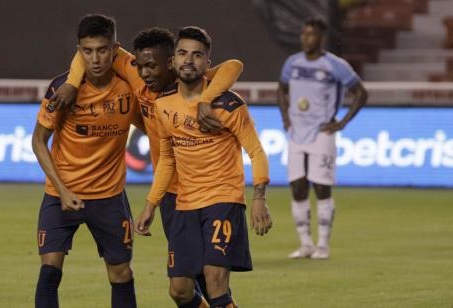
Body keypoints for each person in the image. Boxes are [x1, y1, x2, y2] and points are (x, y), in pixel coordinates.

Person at [52, 27, 244, 303]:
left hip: (208, 191)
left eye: (152, 66)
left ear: (171, 64)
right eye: (142, 67)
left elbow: (234, 66)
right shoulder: (137, 70)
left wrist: (204, 99)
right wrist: (72, 82)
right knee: (182, 289)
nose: (144, 73)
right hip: (171, 196)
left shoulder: (190, 80)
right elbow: (95, 48)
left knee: (210, 278)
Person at [134, 26, 272, 308]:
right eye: (183, 53)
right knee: (180, 290)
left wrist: (259, 198)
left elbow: (256, 151)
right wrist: (151, 204)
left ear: (207, 64)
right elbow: (168, 158)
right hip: (185, 204)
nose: (189, 60)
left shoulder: (229, 104)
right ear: (173, 60)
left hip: (223, 199)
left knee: (215, 281)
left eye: (197, 55)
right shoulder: (163, 104)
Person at [32, 14, 144, 308]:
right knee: (49, 271)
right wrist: (62, 189)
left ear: (115, 49)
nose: (95, 58)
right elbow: (38, 141)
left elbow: (153, 130)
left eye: (102, 50)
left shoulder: (128, 89)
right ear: (79, 51)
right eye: (87, 51)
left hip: (109, 198)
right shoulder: (63, 90)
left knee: (121, 273)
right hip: (61, 195)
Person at [277, 18, 368, 259]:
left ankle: (323, 245)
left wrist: (342, 122)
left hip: (322, 132)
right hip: (296, 132)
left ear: (321, 38)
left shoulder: (335, 65)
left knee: (321, 187)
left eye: (310, 35)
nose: (305, 39)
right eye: (303, 34)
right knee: (297, 186)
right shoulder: (292, 63)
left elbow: (361, 92)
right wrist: (285, 117)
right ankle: (305, 244)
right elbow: (281, 89)